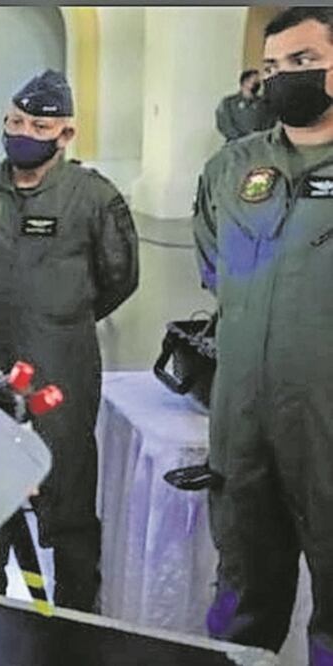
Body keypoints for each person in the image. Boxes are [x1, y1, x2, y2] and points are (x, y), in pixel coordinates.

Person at [0, 69, 139, 612]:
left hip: (62, 363)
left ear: (66, 134)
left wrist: (60, 317)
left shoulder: (94, 197)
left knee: (67, 483)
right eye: (14, 120)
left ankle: (76, 612)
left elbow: (119, 277)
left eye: (38, 123)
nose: (22, 131)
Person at [193, 8, 333, 663]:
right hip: (242, 424)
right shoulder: (233, 168)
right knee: (242, 593)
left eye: (303, 62)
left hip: (327, 424)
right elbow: (211, 266)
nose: (283, 79)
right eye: (273, 67)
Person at [216, 69, 279, 141]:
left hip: (259, 145)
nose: (258, 83)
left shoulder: (264, 104)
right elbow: (224, 124)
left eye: (258, 81)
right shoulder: (228, 103)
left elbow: (271, 124)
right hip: (236, 145)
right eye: (255, 80)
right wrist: (240, 139)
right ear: (245, 81)